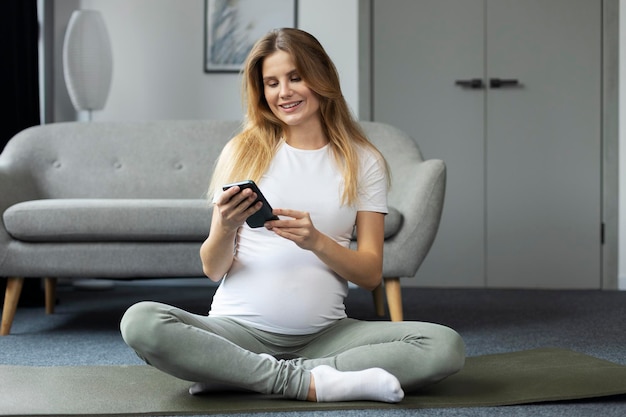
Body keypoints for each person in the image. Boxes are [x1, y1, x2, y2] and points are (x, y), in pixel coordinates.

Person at [120, 27, 465, 403]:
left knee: (444, 346)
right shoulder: (243, 151)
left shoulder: (363, 161)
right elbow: (213, 269)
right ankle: (311, 383)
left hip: (326, 336)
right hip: (236, 330)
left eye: (295, 77)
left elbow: (369, 274)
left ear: (321, 78)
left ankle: (239, 374)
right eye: (271, 82)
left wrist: (316, 241)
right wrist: (224, 226)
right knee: (141, 321)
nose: (283, 92)